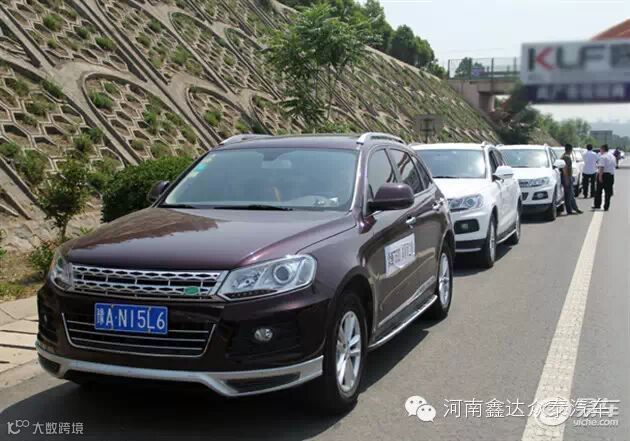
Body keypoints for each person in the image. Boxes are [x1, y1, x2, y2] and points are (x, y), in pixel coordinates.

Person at [593, 144, 616, 211]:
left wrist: (600, 176)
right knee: (608, 192)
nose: (600, 151)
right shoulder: (612, 156)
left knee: (598, 191)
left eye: (600, 149)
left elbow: (601, 167)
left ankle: (597, 205)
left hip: (603, 174)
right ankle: (606, 206)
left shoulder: (603, 157)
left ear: (603, 149)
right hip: (611, 175)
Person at [561, 144, 582, 214]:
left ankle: (573, 209)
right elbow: (565, 168)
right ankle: (571, 209)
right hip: (567, 177)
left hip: (567, 177)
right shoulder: (566, 157)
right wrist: (567, 178)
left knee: (570, 194)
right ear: (570, 150)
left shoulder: (563, 156)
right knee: (569, 194)